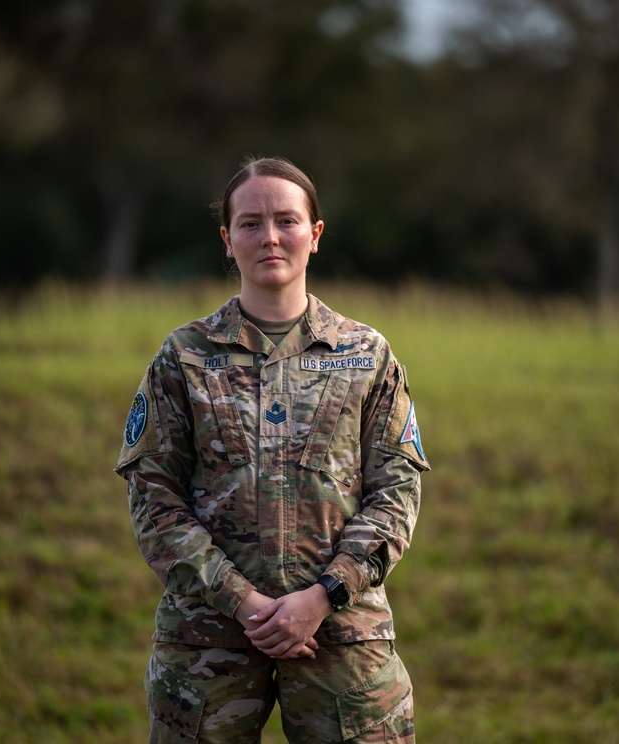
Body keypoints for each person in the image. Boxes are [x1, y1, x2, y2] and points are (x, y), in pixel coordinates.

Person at [115, 155, 429, 743]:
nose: (270, 236)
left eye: (287, 220)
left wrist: (324, 594)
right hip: (208, 646)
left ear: (315, 235)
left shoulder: (366, 354)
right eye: (251, 223)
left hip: (344, 640)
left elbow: (398, 490)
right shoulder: (183, 356)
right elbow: (153, 497)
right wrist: (241, 601)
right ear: (227, 240)